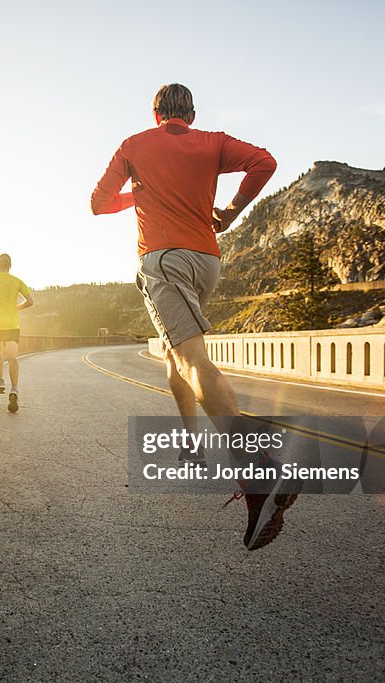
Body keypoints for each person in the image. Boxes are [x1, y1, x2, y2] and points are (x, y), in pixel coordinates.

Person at [90, 83, 297, 550]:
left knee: (191, 359)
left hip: (163, 260)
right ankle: (192, 441)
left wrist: (137, 195)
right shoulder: (213, 142)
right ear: (191, 114)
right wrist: (232, 211)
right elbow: (266, 163)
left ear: (155, 112)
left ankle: (258, 470)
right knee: (172, 353)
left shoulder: (134, 146)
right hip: (207, 260)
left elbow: (98, 204)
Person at [0, 253, 34, 412]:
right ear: (10, 266)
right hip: (12, 323)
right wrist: (16, 307)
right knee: (12, 357)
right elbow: (30, 301)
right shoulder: (17, 281)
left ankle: (0, 381)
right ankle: (14, 388)